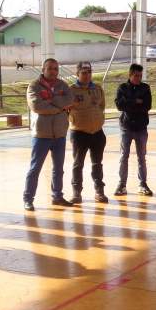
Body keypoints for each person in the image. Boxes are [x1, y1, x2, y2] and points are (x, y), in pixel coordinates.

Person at [24, 58, 74, 211]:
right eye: (50, 68)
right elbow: (37, 106)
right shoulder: (34, 86)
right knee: (35, 168)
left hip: (59, 134)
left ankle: (57, 196)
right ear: (43, 69)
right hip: (41, 135)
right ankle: (28, 199)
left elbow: (69, 100)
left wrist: (52, 101)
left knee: (58, 168)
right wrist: (59, 108)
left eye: (56, 69)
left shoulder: (63, 85)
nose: (53, 71)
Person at [68, 61, 108, 203]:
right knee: (78, 164)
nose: (87, 75)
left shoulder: (97, 88)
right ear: (77, 74)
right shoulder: (71, 90)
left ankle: (99, 191)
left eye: (89, 72)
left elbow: (102, 106)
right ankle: (76, 192)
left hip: (97, 133)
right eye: (84, 73)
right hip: (79, 133)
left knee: (97, 163)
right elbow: (66, 109)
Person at [114, 63, 153, 196]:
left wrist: (129, 102)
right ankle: (122, 184)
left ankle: (143, 184)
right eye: (136, 75)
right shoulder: (122, 88)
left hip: (141, 127)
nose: (138, 78)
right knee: (124, 156)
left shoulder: (146, 88)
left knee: (141, 157)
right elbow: (119, 105)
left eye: (140, 76)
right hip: (126, 127)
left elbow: (147, 105)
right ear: (130, 75)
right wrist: (136, 101)